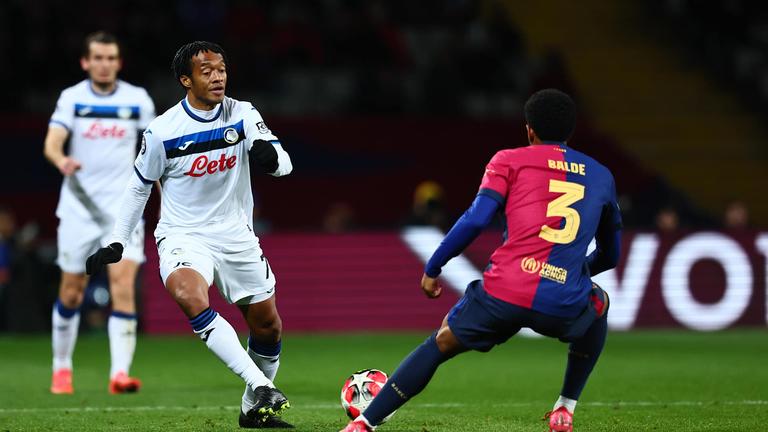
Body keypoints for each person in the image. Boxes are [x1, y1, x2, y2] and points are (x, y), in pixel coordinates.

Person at [341, 89, 622, 432]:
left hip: (504, 294)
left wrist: (434, 266)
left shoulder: (508, 159)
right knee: (600, 304)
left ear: (529, 129)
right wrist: (567, 275)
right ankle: (565, 407)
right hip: (563, 301)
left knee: (441, 342)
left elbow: (476, 219)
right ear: (571, 132)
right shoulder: (601, 176)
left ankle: (364, 424)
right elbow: (611, 254)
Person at [86, 41, 294, 429]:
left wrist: (271, 160)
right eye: (207, 71)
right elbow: (138, 187)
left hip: (236, 234)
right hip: (183, 235)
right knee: (188, 294)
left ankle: (252, 409)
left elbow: (284, 163)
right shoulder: (163, 131)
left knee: (268, 327)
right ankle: (260, 384)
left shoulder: (243, 113)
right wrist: (117, 240)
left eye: (222, 69)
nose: (217, 77)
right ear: (186, 79)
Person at [43, 31, 155, 395]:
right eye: (98, 58)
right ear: (85, 62)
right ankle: (62, 369)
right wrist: (62, 160)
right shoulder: (72, 98)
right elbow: (52, 142)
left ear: (118, 63)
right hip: (78, 208)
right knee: (72, 291)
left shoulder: (137, 100)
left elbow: (156, 150)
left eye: (110, 58)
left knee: (123, 287)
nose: (104, 64)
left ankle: (119, 374)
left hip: (123, 209)